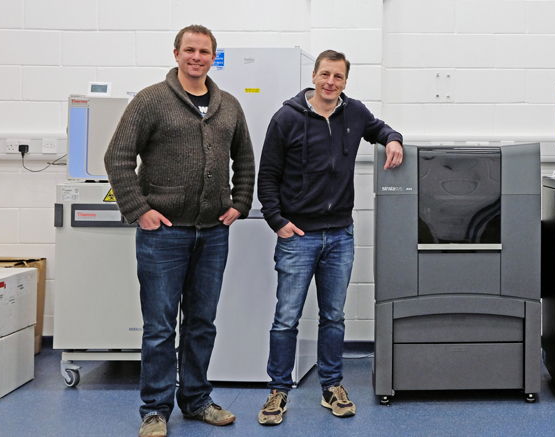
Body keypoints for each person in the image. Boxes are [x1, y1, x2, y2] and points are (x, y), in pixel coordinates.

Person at [104, 24, 255, 437]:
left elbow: (245, 159)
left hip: (212, 234)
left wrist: (240, 204)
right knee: (159, 326)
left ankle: (197, 400)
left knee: (202, 322)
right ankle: (155, 409)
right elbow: (117, 158)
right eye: (190, 49)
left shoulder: (228, 106)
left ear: (212, 57)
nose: (197, 57)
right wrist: (140, 210)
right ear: (176, 54)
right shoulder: (151, 100)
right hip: (163, 234)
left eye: (204, 51)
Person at [256, 49, 403, 425]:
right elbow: (267, 175)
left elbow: (380, 129)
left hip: (340, 234)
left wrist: (394, 139)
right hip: (298, 235)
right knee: (286, 318)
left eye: (338, 77)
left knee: (333, 316)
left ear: (345, 81)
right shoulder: (286, 118)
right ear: (314, 75)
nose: (330, 82)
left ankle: (331, 386)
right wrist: (277, 221)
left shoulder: (353, 113)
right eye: (325, 75)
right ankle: (277, 390)